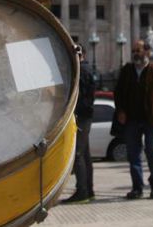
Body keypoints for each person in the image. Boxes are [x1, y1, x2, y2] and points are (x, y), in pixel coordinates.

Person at [114, 39, 153, 200]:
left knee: (152, 151)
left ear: (147, 52)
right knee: (133, 154)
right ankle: (137, 187)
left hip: (151, 120)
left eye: (138, 50)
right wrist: (121, 111)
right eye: (134, 51)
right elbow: (118, 93)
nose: (135, 54)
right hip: (131, 119)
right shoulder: (126, 71)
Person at [64, 43, 96, 204]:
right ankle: (89, 190)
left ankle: (82, 191)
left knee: (77, 154)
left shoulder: (82, 70)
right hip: (85, 115)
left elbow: (81, 96)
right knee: (85, 155)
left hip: (81, 116)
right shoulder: (87, 69)